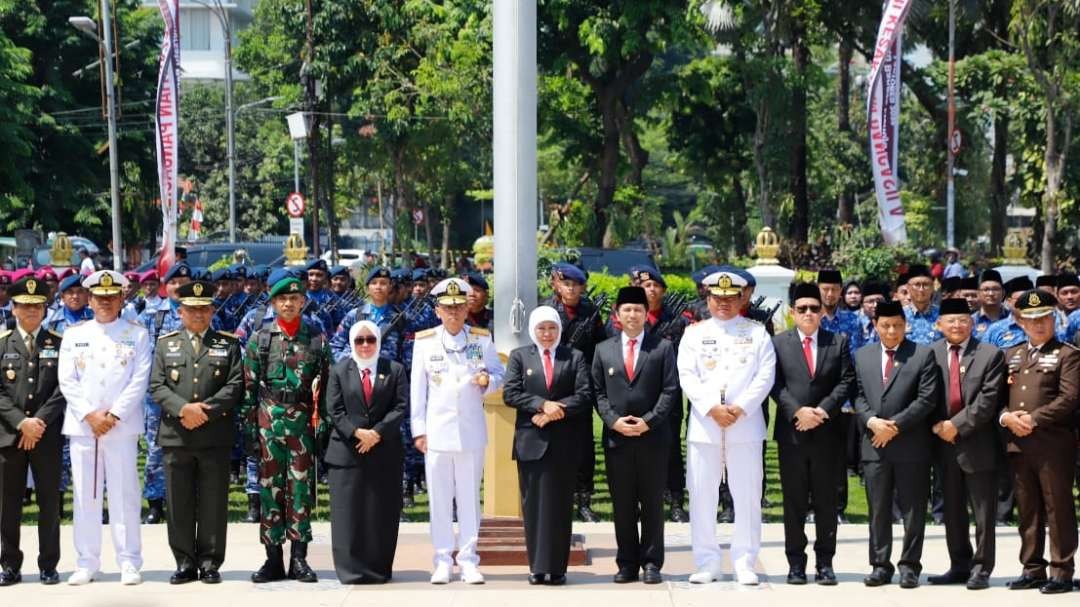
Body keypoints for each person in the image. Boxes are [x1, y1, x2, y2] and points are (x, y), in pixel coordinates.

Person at [679, 271, 775, 586]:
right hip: (706, 426)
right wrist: (711, 408)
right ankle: (707, 562)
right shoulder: (694, 334)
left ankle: (745, 561)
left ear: (740, 299)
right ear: (707, 299)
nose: (723, 304)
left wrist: (740, 408)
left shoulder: (757, 333)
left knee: (747, 495)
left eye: (730, 298)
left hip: (744, 426)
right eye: (717, 299)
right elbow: (687, 375)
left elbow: (765, 376)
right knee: (701, 495)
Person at [58, 270, 152, 586]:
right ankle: (87, 562)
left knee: (125, 493)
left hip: (121, 427)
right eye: (100, 298)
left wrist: (113, 416)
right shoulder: (74, 334)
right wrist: (90, 415)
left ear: (121, 298)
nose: (106, 302)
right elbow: (67, 380)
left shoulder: (137, 334)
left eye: (112, 297)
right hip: (84, 428)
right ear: (90, 299)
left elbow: (139, 380)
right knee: (86, 494)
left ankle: (129, 561)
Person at [147, 281, 243, 585]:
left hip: (214, 433)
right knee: (179, 501)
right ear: (181, 311)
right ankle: (185, 562)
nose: (198, 314)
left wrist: (204, 411)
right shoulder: (166, 344)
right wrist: (184, 409)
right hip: (177, 434)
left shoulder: (228, 344)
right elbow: (157, 386)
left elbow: (235, 385)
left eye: (204, 309)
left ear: (212, 310)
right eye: (192, 309)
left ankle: (210, 562)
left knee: (214, 501)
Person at [410, 277, 504, 585]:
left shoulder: (480, 340)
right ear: (437, 310)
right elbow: (417, 391)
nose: (453, 313)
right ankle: (442, 559)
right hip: (437, 431)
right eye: (447, 308)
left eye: (459, 307)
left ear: (467, 309)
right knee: (439, 498)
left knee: (468, 498)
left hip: (470, 431)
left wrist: (487, 382)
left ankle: (468, 560)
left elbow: (498, 374)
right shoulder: (424, 342)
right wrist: (418, 430)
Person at [240, 272, 330, 584]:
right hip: (268, 423)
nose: (288, 303)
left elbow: (326, 389)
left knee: (301, 491)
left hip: (302, 424)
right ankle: (273, 559)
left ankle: (300, 559)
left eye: (294, 298)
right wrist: (250, 431)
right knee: (270, 491)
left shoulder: (316, 339)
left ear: (303, 302)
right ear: (274, 303)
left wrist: (323, 431)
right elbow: (248, 388)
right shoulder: (261, 339)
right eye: (282, 299)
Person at [770, 283, 855, 585]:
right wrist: (798, 412)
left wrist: (821, 411)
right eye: (802, 308)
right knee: (793, 501)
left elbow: (846, 381)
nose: (809, 313)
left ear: (822, 312)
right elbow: (775, 384)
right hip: (792, 434)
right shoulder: (779, 343)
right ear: (792, 312)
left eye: (814, 308)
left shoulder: (838, 341)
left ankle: (825, 563)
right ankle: (795, 563)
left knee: (825, 501)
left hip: (827, 433)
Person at [593, 286, 678, 584]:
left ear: (646, 314)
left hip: (653, 438)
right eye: (627, 309)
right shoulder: (603, 350)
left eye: (638, 310)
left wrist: (649, 421)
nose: (632, 315)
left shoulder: (662, 348)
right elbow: (598, 392)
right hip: (617, 439)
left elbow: (670, 391)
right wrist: (614, 422)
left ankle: (652, 562)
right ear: (617, 314)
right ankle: (627, 562)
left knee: (653, 502)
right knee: (623, 502)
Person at [503, 306, 592, 586]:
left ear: (559, 329)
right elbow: (511, 393)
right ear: (533, 329)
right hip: (531, 443)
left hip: (563, 443)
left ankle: (558, 569)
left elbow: (585, 394)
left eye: (551, 328)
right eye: (541, 328)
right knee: (534, 507)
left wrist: (556, 410)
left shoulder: (574, 357)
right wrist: (541, 404)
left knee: (561, 505)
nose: (547, 333)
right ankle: (537, 568)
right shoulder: (520, 357)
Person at [854, 300, 940, 589]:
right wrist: (871, 421)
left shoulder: (922, 354)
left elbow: (927, 399)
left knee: (913, 508)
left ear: (906, 325)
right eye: (886, 325)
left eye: (898, 325)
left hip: (910, 444)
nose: (892, 331)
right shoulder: (862, 356)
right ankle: (880, 565)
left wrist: (895, 427)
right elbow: (858, 396)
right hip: (874, 443)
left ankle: (909, 566)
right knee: (878, 508)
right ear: (876, 326)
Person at [999, 290, 1079, 594]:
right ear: (1021, 322)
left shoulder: (1068, 355)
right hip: (1018, 445)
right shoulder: (1012, 355)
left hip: (1052, 446)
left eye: (1045, 317)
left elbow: (1069, 398)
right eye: (1032, 319)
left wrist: (1032, 419)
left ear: (1053, 319)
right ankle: (1032, 567)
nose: (1039, 324)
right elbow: (997, 398)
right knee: (1028, 509)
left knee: (1057, 508)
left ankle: (1061, 571)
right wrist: (1007, 418)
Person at [925, 298, 1005, 591]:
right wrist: (938, 426)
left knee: (983, 512)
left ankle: (982, 568)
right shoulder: (929, 354)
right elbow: (925, 395)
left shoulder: (990, 354)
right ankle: (959, 565)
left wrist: (954, 426)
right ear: (939, 324)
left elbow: (987, 401)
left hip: (977, 443)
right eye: (950, 321)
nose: (957, 326)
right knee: (952, 510)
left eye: (962, 320)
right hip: (942, 445)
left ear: (972, 323)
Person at [324, 320, 408, 584]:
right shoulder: (339, 371)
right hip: (347, 453)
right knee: (348, 513)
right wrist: (357, 433)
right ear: (351, 342)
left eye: (370, 339)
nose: (364, 345)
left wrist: (377, 433)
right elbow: (334, 410)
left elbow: (400, 406)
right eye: (359, 340)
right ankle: (350, 569)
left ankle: (378, 568)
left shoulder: (394, 369)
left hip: (384, 451)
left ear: (378, 342)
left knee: (379, 512)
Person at [0, 277, 65, 586]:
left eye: (37, 306)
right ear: (13, 308)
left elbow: (65, 388)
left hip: (46, 434)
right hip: (8, 435)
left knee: (49, 501)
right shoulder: (1, 344)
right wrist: (20, 422)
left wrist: (37, 422)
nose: (31, 312)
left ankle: (48, 564)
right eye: (24, 306)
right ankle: (10, 564)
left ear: (45, 309)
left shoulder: (59, 343)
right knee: (7, 503)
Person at [539, 263, 606, 522]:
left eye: (576, 285)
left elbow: (600, 345)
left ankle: (584, 501)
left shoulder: (590, 311)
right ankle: (555, 500)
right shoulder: (546, 309)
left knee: (583, 447)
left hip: (580, 386)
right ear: (556, 284)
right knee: (551, 445)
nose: (571, 288)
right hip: (551, 385)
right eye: (566, 283)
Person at [973, 270, 1009, 339]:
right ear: (978, 294)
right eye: (986, 290)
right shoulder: (970, 322)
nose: (991, 294)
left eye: (995, 289)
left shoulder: (1013, 320)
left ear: (1003, 293)